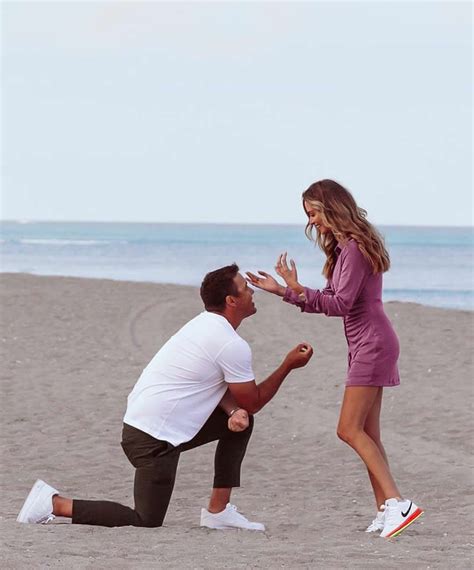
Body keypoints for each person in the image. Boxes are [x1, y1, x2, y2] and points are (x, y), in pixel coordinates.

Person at [17, 264, 313, 531]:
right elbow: (254, 400)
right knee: (145, 520)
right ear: (231, 301)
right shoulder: (230, 344)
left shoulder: (203, 324)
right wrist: (288, 365)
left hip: (144, 424)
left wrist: (233, 410)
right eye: (246, 289)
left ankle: (218, 512)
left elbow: (216, 386)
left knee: (243, 421)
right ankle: (55, 503)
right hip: (152, 440)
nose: (252, 292)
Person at [247, 179, 423, 539]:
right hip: (367, 343)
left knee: (347, 429)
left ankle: (399, 503)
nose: (312, 222)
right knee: (368, 432)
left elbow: (339, 304)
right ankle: (387, 511)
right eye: (308, 215)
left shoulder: (355, 249)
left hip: (372, 343)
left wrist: (295, 289)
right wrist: (284, 290)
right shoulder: (346, 250)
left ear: (332, 207)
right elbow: (329, 299)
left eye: (314, 213)